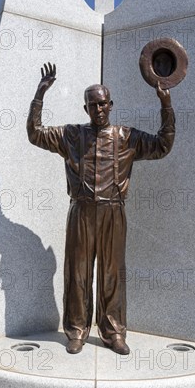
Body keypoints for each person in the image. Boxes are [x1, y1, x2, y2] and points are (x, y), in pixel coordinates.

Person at [27, 63, 175, 355]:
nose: (99, 109)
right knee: (78, 273)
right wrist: (40, 94)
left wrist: (166, 103)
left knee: (112, 274)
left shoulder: (127, 137)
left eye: (103, 103)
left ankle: (113, 332)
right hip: (81, 212)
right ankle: (77, 330)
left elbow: (163, 145)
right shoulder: (71, 135)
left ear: (111, 105)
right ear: (86, 108)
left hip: (113, 213)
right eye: (93, 105)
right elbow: (35, 133)